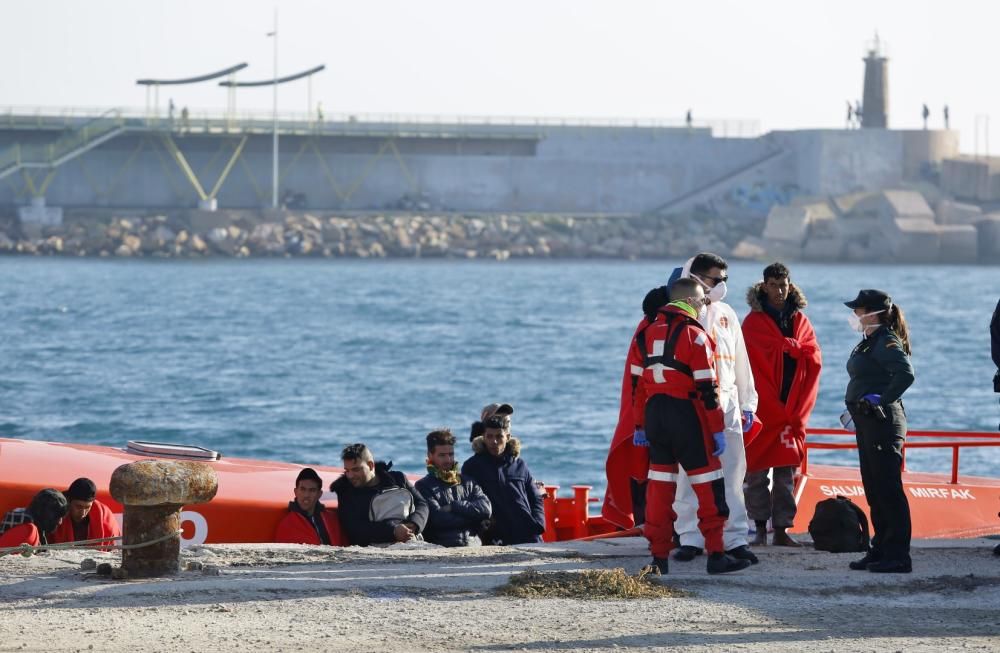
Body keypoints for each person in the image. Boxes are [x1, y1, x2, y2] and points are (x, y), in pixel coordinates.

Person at [628, 278, 750, 574]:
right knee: (709, 486)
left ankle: (658, 559)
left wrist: (640, 426)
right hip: (687, 415)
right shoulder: (695, 335)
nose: (704, 306)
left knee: (659, 487)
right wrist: (717, 429)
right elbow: (707, 389)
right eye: (703, 301)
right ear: (693, 302)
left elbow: (637, 387)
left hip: (655, 415)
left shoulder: (643, 335)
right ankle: (717, 554)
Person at [668, 253, 759, 566]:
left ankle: (734, 539)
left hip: (728, 405)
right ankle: (690, 537)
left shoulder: (726, 314)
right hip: (691, 407)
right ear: (693, 276)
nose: (720, 286)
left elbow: (740, 360)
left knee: (733, 477)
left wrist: (748, 403)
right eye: (714, 279)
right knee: (688, 475)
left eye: (724, 279)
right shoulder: (677, 315)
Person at [741, 263, 822, 547]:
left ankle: (782, 530)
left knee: (786, 471)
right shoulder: (753, 322)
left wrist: (796, 349)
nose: (780, 291)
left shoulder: (800, 320)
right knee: (756, 473)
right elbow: (747, 365)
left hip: (791, 407)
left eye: (784, 285)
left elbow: (814, 355)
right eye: (774, 285)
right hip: (764, 408)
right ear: (764, 286)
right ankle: (760, 528)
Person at [844, 289, 915, 573]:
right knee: (873, 488)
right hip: (867, 421)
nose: (855, 316)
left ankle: (898, 555)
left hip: (884, 421)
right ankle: (881, 548)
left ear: (873, 313)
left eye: (859, 310)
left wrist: (882, 398)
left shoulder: (885, 340)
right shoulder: (868, 342)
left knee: (888, 489)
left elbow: (905, 373)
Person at [602, 284, 673, 530]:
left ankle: (649, 526)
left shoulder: (643, 332)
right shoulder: (650, 335)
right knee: (648, 472)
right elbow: (639, 384)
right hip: (649, 417)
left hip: (642, 417)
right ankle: (651, 527)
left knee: (643, 470)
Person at [461, 414, 545, 545]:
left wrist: (538, 524)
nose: (494, 441)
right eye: (489, 436)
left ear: (508, 437)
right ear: (483, 437)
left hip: (528, 534)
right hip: (495, 537)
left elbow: (535, 498)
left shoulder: (520, 465)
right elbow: (467, 500)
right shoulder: (472, 466)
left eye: (499, 436)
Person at [330, 443, 428, 546]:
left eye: (355, 469)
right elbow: (355, 529)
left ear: (371, 465)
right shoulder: (347, 492)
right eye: (347, 470)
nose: (350, 476)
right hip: (378, 549)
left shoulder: (398, 479)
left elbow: (422, 503)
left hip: (413, 539)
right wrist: (393, 531)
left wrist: (414, 524)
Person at [415, 429, 492, 547]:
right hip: (443, 549)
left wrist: (454, 506)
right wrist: (474, 518)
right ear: (430, 455)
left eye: (451, 454)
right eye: (442, 455)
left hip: (474, 547)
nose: (448, 460)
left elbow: (486, 509)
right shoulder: (423, 486)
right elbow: (438, 520)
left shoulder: (468, 482)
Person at [275, 467, 343, 545]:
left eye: (312, 490)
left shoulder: (333, 520)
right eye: (303, 489)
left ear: (319, 494)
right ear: (296, 492)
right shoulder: (287, 525)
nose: (306, 495)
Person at [47, 478, 121, 549]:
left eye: (87, 507)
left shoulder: (104, 518)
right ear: (69, 501)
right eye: (79, 506)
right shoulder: (53, 512)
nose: (83, 513)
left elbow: (114, 547)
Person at [0, 489, 68, 549]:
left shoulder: (35, 519)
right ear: (44, 512)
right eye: (57, 516)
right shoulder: (27, 523)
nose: (60, 522)